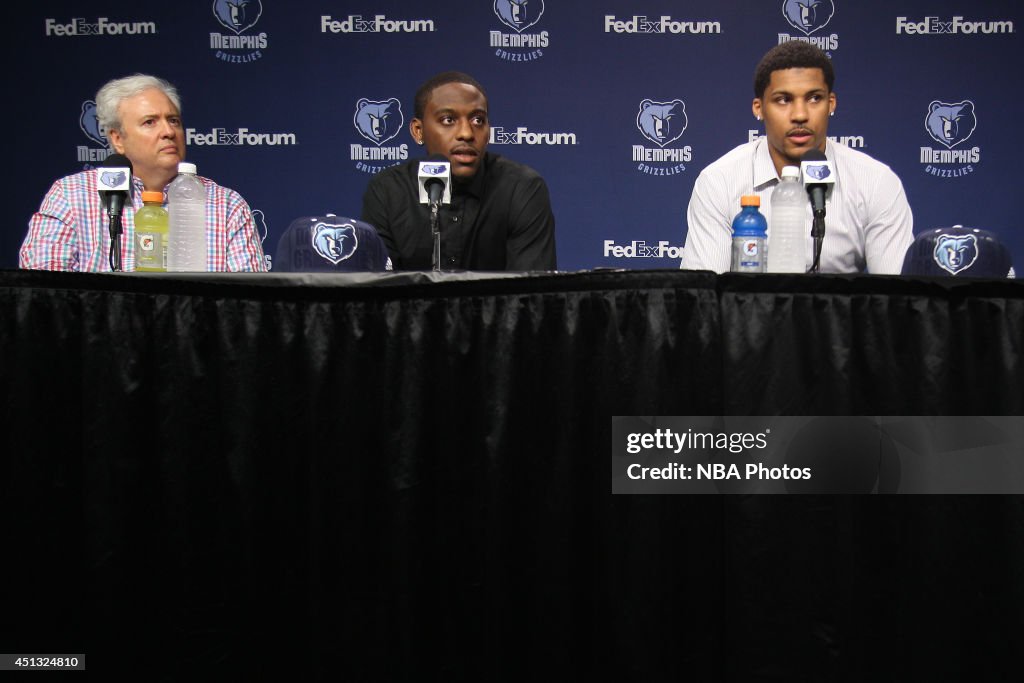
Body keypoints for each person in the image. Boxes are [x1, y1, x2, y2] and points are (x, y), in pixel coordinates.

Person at [682, 42, 913, 274]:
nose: (800, 115)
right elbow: (703, 296)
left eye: (814, 98)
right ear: (758, 108)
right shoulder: (719, 181)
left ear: (831, 103)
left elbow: (899, 298)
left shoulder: (875, 182)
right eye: (783, 100)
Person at [20, 74, 266, 272]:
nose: (168, 131)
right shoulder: (72, 196)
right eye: (150, 122)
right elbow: (44, 293)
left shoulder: (226, 205)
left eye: (174, 121)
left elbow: (248, 307)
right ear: (118, 139)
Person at [361, 71, 557, 271]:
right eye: (448, 120)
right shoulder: (387, 191)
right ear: (418, 131)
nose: (466, 133)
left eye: (478, 120)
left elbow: (532, 293)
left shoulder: (522, 189)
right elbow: (378, 292)